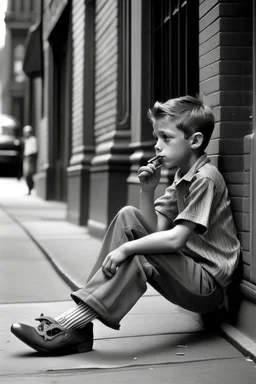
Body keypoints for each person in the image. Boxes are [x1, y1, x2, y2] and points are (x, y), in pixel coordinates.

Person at [11, 95, 240, 355]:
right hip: (186, 277)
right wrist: (147, 192)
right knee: (127, 215)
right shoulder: (180, 178)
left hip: (207, 288)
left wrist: (126, 249)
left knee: (135, 249)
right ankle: (79, 325)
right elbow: (153, 231)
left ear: (195, 140)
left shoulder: (205, 179)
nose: (157, 146)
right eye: (156, 138)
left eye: (166, 138)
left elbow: (174, 239)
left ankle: (72, 325)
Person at [22, 125, 38, 195]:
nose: (25, 134)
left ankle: (31, 189)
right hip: (26, 157)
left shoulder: (33, 140)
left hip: (31, 158)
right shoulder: (26, 140)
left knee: (29, 174)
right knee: (26, 175)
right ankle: (29, 189)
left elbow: (34, 150)